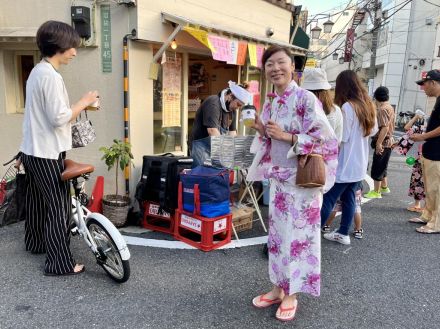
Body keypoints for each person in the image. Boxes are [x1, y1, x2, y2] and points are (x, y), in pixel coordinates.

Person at [247, 45, 338, 322]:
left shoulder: (306, 99)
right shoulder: (272, 101)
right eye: (270, 65)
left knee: (297, 240)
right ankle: (277, 287)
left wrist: (287, 137)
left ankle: (293, 294)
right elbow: (269, 138)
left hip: (301, 185)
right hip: (279, 182)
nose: (275, 69)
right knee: (277, 238)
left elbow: (325, 138)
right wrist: (262, 130)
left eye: (280, 62)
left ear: (293, 66)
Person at [18, 21, 99, 275]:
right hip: (46, 152)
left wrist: (22, 151)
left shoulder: (36, 71)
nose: (75, 51)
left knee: (37, 202)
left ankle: (35, 243)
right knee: (58, 207)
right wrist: (84, 102)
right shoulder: (50, 76)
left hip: (33, 149)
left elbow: (35, 116)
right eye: (72, 47)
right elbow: (59, 117)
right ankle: (58, 263)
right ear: (59, 47)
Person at [320, 70, 377, 245]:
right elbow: (373, 131)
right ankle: (343, 233)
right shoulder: (368, 104)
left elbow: (341, 138)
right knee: (349, 198)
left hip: (344, 163)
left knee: (329, 197)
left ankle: (311, 236)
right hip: (360, 163)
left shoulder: (347, 107)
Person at [408, 69, 440, 233]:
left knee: (437, 189)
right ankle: (427, 215)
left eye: (424, 84)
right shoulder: (438, 99)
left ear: (433, 83)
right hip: (431, 151)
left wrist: (422, 137)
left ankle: (436, 224)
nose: (423, 88)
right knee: (430, 188)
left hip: (437, 153)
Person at [364, 86, 395, 199]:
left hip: (383, 142)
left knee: (377, 167)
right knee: (383, 165)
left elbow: (385, 128)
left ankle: (376, 192)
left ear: (376, 97)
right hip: (389, 142)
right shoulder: (389, 107)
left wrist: (378, 144)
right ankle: (384, 187)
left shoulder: (382, 109)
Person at [403, 113, 425, 212]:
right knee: (416, 181)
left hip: (430, 159)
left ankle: (426, 207)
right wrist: (416, 117)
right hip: (419, 159)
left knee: (428, 182)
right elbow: (407, 128)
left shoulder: (433, 131)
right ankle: (417, 205)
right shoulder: (422, 128)